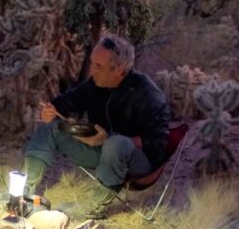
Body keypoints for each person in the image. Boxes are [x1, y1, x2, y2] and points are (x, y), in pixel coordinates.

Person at [23, 34, 170, 218]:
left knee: (116, 144)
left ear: (120, 70)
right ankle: (23, 192)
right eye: (92, 63)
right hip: (100, 152)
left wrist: (108, 138)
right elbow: (69, 101)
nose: (92, 71)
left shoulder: (149, 95)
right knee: (50, 128)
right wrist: (52, 109)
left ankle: (94, 207)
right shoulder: (97, 83)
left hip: (136, 162)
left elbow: (157, 145)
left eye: (98, 67)